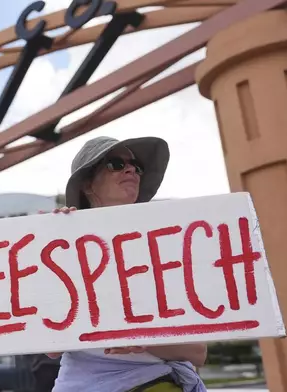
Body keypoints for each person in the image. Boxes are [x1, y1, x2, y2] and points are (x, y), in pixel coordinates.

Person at [47, 136, 208, 392]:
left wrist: (141, 339)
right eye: (115, 164)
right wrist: (52, 244)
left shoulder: (164, 254)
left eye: (136, 167)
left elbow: (197, 352)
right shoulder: (61, 251)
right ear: (88, 185)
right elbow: (51, 347)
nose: (131, 169)